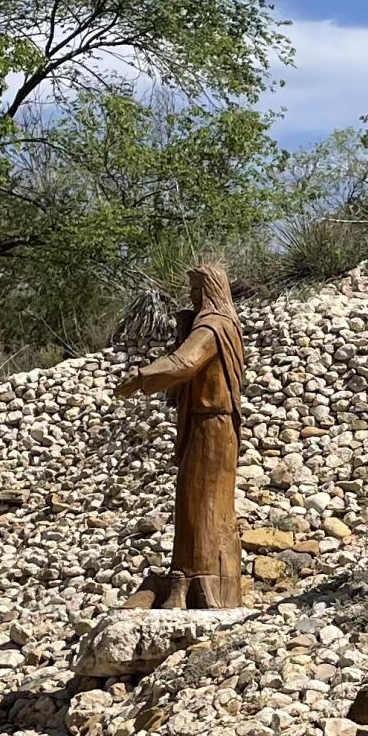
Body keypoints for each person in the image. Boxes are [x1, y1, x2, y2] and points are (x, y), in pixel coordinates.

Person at [112, 259, 247, 609]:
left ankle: (207, 581)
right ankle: (187, 576)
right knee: (192, 499)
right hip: (205, 423)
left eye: (195, 290)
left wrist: (142, 377)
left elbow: (184, 364)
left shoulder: (214, 326)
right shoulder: (214, 324)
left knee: (203, 501)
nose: (191, 296)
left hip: (211, 425)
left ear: (209, 292)